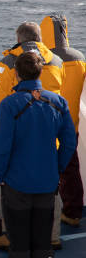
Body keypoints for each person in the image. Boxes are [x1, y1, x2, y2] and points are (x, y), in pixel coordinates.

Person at [0, 22, 65, 250]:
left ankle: (11, 235)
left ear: (18, 38)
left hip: (19, 134)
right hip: (49, 134)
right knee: (51, 187)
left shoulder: (7, 64)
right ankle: (53, 235)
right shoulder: (56, 61)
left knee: (13, 187)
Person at [0, 52, 76, 258]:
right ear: (40, 72)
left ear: (17, 74)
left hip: (16, 181)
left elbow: (2, 146)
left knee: (19, 243)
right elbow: (69, 143)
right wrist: (57, 167)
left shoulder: (10, 104)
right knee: (43, 243)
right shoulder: (58, 102)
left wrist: (0, 174)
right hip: (47, 181)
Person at [40, 14, 86, 227]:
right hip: (71, 123)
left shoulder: (44, 59)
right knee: (71, 169)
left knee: (46, 173)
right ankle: (74, 211)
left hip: (47, 125)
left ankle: (49, 221)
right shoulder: (79, 57)